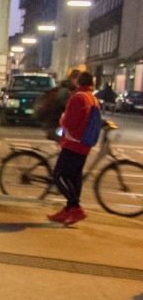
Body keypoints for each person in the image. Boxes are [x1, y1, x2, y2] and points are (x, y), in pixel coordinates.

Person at [47, 71, 100, 226]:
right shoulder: (93, 98)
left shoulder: (78, 97)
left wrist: (62, 119)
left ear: (78, 82)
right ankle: (69, 209)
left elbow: (70, 122)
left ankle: (75, 207)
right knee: (75, 177)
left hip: (73, 142)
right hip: (84, 143)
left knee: (59, 175)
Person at [39, 67, 80, 142]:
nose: (79, 84)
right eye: (78, 81)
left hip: (54, 125)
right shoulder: (65, 92)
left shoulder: (67, 90)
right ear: (73, 79)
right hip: (54, 126)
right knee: (73, 142)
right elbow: (71, 109)